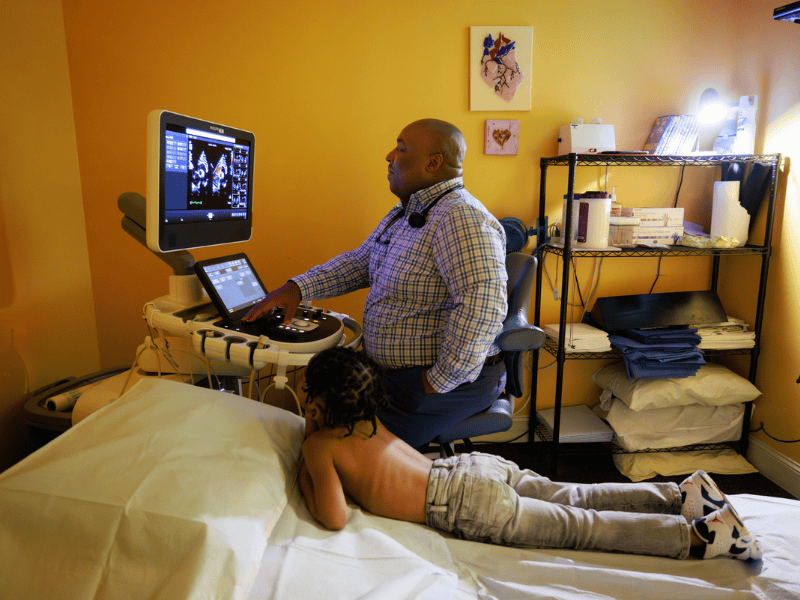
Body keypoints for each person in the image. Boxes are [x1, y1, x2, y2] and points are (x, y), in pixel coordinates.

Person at [296, 346, 762, 561]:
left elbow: (334, 517)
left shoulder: (319, 446)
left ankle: (702, 537)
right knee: (574, 496)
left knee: (581, 528)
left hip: (460, 502)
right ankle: (678, 495)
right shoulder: (370, 424)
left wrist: (306, 464)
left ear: (318, 406)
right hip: (471, 466)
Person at [244, 119, 508, 449]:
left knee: (335, 448)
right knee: (315, 411)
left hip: (441, 382)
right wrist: (296, 288)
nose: (389, 156)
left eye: (401, 148)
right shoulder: (405, 215)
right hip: (398, 376)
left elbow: (482, 307)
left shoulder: (461, 218)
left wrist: (438, 381)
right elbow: (359, 263)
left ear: (433, 162)